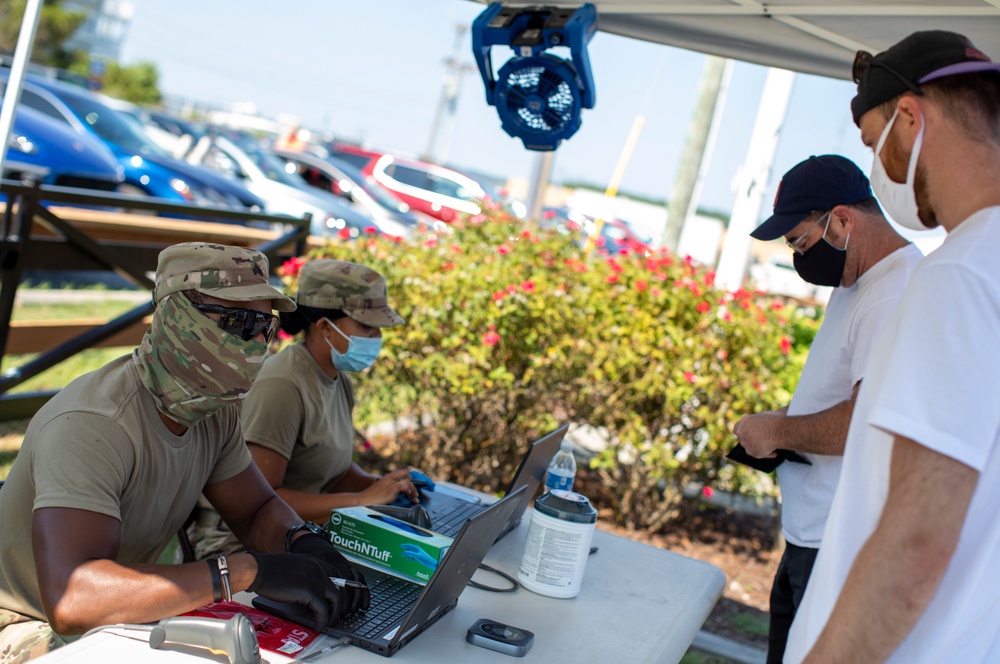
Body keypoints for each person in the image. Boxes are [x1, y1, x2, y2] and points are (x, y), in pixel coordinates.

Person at [0, 243, 370, 662]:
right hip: (23, 621)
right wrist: (245, 571)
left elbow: (255, 509)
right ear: (174, 316)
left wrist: (302, 542)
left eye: (260, 327)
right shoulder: (94, 424)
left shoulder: (213, 407)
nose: (250, 344)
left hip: (111, 615)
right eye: (233, 321)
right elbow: (73, 600)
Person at [784, 31, 1000, 662]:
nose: (883, 170)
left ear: (910, 117)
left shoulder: (958, 275)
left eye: (875, 143)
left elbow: (918, 536)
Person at [732, 155, 921, 663]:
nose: (797, 256)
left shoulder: (891, 293)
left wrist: (776, 431)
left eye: (799, 241)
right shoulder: (862, 279)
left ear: (840, 219)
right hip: (813, 532)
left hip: (837, 544)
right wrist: (784, 424)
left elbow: (865, 420)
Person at [188, 258, 418, 558]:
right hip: (239, 548)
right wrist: (361, 500)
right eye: (368, 326)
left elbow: (331, 470)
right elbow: (261, 501)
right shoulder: (284, 384)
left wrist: (382, 487)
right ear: (325, 327)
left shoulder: (337, 377)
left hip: (298, 532)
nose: (377, 337)